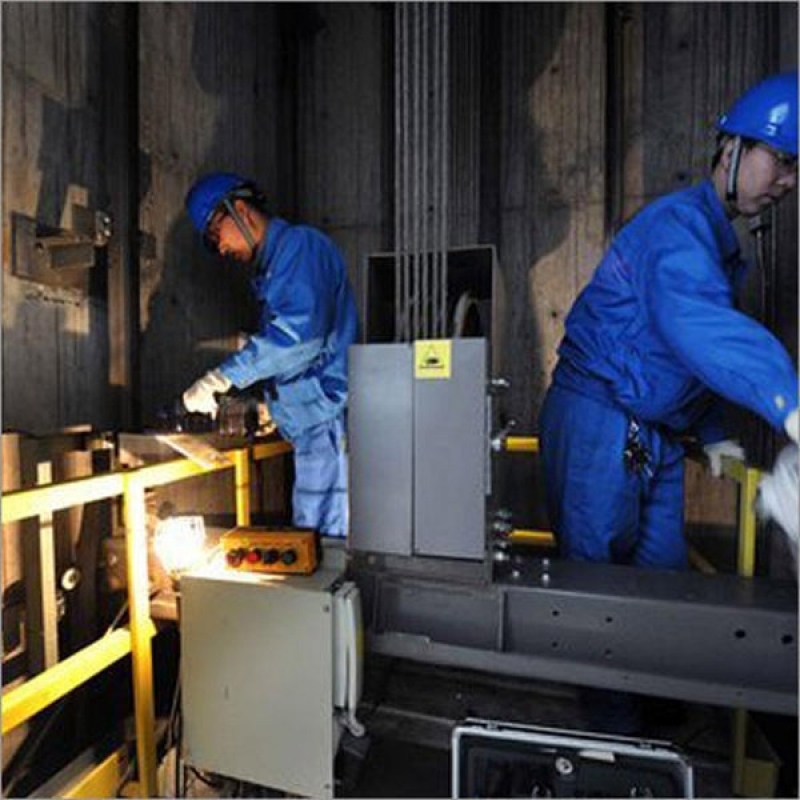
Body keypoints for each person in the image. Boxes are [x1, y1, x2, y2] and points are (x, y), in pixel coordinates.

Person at [538, 73, 799, 732]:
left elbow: (678, 358)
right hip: (596, 421)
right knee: (596, 588)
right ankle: (610, 739)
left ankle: (654, 716)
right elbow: (697, 327)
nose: (788, 182)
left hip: (650, 433)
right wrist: (788, 402)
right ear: (734, 148)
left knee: (661, 575)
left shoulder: (718, 246)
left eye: (798, 171)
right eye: (784, 160)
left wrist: (711, 432)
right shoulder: (677, 229)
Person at [181, 172, 358, 538]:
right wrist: (270, 408)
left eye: (216, 235)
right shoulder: (280, 266)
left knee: (326, 550)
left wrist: (222, 377)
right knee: (316, 544)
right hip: (314, 426)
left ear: (240, 210)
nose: (221, 249)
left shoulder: (300, 246)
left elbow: (298, 339)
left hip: (326, 426)